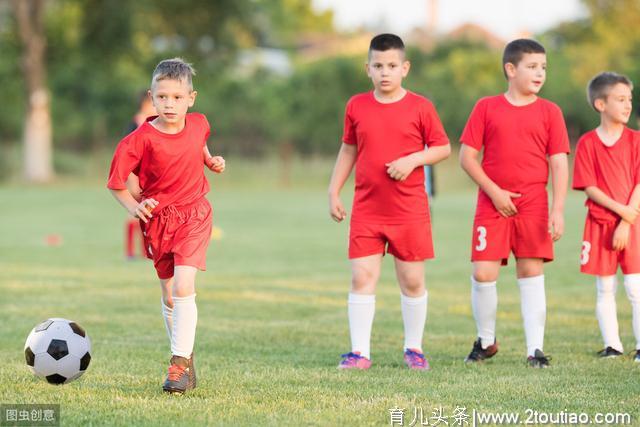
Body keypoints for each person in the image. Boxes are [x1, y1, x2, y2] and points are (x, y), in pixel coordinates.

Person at [328, 33, 451, 370]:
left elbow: (442, 148)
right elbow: (349, 148)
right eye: (378, 65)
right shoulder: (356, 105)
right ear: (368, 68)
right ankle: (359, 352)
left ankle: (414, 348)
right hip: (367, 208)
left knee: (411, 281)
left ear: (405, 68)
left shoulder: (421, 107)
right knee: (361, 277)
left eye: (392, 65)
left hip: (408, 210)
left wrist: (412, 161)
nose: (385, 72)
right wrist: (334, 190)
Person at [107, 58, 225, 393]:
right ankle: (185, 354)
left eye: (176, 97)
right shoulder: (138, 140)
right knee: (170, 296)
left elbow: (199, 147)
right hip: (159, 221)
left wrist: (210, 161)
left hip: (195, 214)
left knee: (184, 285)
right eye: (162, 97)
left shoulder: (199, 123)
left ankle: (177, 364)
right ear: (152, 97)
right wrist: (135, 206)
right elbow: (116, 183)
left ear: (191, 97)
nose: (169, 104)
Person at [459, 39, 569, 368]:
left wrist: (558, 208)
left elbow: (560, 163)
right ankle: (486, 341)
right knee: (483, 272)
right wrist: (494, 192)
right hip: (493, 201)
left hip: (534, 201)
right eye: (532, 67)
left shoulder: (550, 112)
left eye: (543, 68)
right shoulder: (486, 107)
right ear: (511, 69)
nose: (540, 73)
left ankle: (535, 349)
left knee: (531, 270)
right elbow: (467, 158)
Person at [572, 72, 640, 362]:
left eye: (629, 99)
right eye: (620, 99)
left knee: (635, 287)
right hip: (600, 224)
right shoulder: (588, 143)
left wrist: (626, 219)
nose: (627, 105)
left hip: (633, 223)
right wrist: (618, 211)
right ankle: (612, 345)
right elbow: (589, 186)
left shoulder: (636, 140)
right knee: (605, 287)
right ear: (601, 104)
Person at [123, 90, 156, 260]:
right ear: (145, 104)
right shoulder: (135, 125)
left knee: (148, 215)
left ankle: (146, 251)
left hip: (152, 178)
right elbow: (127, 156)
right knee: (134, 213)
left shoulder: (157, 124)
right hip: (137, 177)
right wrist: (131, 180)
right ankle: (130, 252)